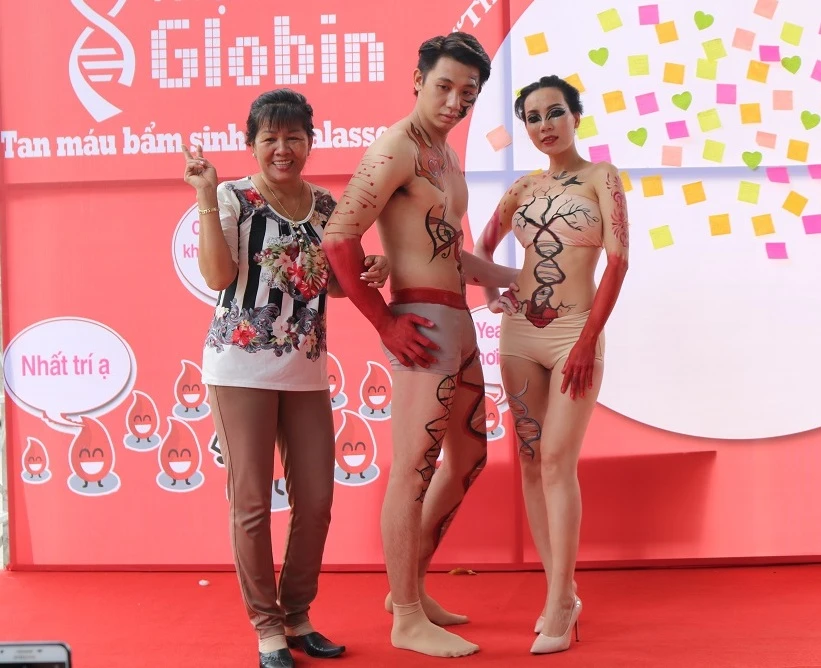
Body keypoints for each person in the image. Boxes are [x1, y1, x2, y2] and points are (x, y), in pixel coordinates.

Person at [322, 33, 519, 658]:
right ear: (417, 80)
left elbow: (449, 253)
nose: (455, 101)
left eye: (468, 93)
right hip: (422, 325)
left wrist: (516, 277)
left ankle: (409, 588)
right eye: (444, 86)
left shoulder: (446, 156)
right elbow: (338, 239)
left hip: (456, 321)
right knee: (413, 468)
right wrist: (384, 323)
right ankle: (406, 617)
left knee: (468, 459)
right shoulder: (396, 147)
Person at [181, 89, 389, 668]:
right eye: (269, 137)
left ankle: (297, 614)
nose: (282, 148)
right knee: (251, 503)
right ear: (251, 144)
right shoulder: (233, 197)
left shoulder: (324, 205)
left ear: (309, 143)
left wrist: (373, 268)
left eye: (293, 137)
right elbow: (218, 275)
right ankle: (267, 627)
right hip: (239, 367)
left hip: (305, 369)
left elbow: (337, 283)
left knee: (317, 501)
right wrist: (204, 196)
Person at [474, 75, 630, 654]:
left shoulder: (601, 178)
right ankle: (558, 590)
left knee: (559, 461)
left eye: (555, 112)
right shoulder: (521, 187)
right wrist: (494, 293)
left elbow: (618, 262)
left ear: (575, 117)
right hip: (519, 336)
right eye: (533, 117)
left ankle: (562, 601)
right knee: (531, 461)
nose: (545, 125)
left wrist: (588, 339)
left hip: (573, 335)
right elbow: (483, 248)